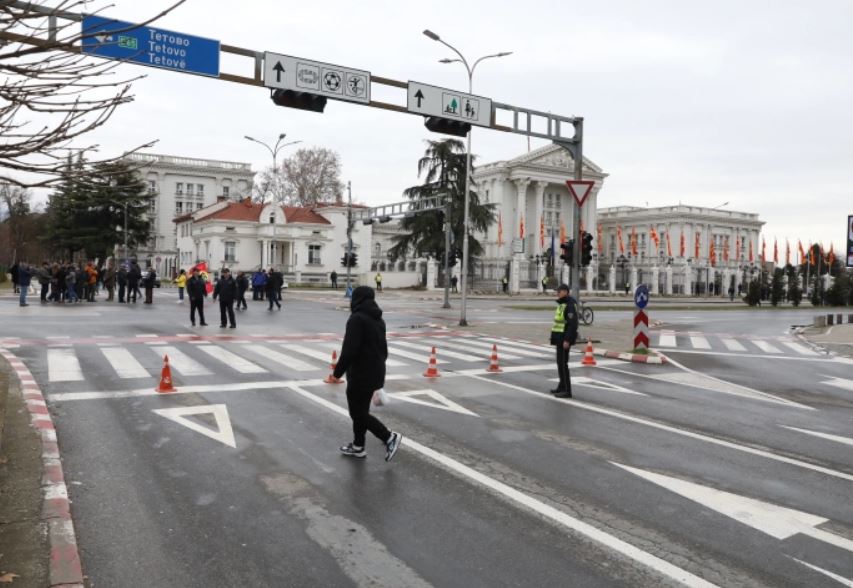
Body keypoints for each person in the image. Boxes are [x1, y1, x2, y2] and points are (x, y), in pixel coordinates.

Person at [332, 286, 402, 461]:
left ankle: (388, 437)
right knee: (361, 410)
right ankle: (358, 446)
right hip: (376, 370)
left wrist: (337, 373)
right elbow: (383, 350)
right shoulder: (379, 319)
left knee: (357, 413)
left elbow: (349, 350)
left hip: (360, 373)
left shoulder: (357, 319)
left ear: (357, 299)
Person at [550, 283, 579, 399]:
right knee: (559, 363)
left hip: (564, 339)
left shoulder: (570, 304)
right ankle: (561, 386)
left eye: (560, 291)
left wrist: (567, 339)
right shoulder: (562, 304)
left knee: (563, 364)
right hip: (559, 338)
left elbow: (573, 324)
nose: (558, 292)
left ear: (566, 292)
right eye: (557, 291)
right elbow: (559, 322)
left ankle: (567, 391)